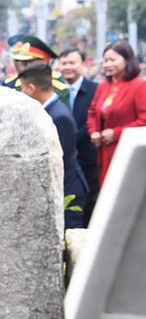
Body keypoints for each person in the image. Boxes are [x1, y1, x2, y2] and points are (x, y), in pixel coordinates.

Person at [19, 63, 89, 229]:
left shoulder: (58, 117)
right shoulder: (49, 111)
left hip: (68, 189)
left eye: (22, 88)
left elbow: (59, 159)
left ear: (30, 88)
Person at [87, 40, 146, 187]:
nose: (108, 64)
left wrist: (116, 133)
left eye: (113, 60)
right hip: (104, 152)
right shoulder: (103, 86)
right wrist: (93, 131)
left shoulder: (139, 86)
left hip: (127, 152)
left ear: (127, 60)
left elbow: (144, 120)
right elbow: (92, 112)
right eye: (105, 60)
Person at [59, 48, 99, 225]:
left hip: (88, 159)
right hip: (64, 162)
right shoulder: (54, 91)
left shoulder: (95, 89)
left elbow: (94, 120)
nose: (67, 67)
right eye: (64, 63)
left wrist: (74, 137)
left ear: (83, 64)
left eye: (72, 63)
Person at [4, 34, 70, 106]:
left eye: (29, 62)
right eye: (19, 61)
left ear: (44, 62)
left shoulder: (58, 87)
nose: (22, 67)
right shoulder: (9, 85)